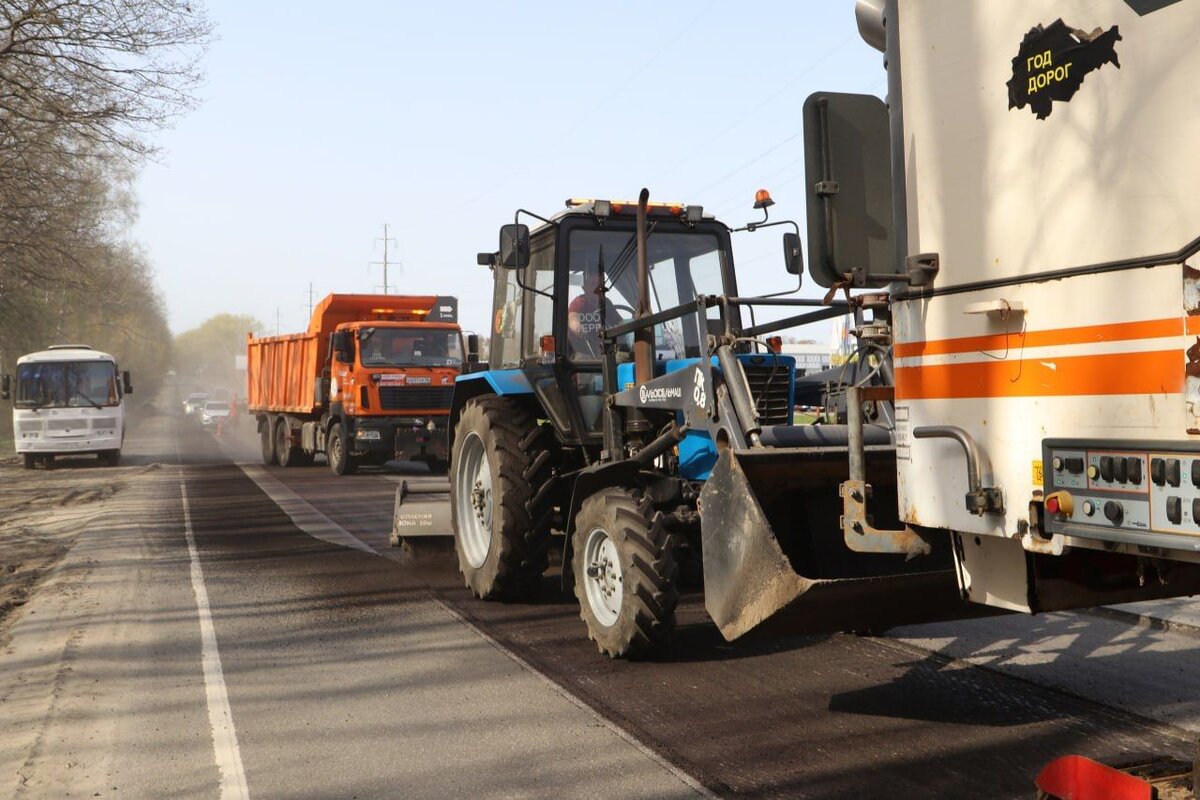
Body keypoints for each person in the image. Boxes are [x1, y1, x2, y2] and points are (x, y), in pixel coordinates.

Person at [567, 268, 621, 358]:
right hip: (581, 350)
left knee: (622, 357)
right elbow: (572, 317)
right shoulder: (579, 302)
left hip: (602, 350)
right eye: (593, 284)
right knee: (583, 359)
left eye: (599, 284)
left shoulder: (606, 303)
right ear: (584, 287)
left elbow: (619, 322)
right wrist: (577, 327)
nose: (597, 288)